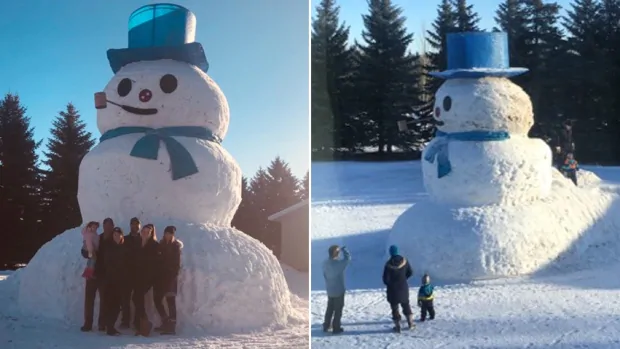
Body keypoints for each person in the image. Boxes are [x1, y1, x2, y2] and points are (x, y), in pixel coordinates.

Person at [81, 217, 115, 332]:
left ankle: (102, 323)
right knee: (89, 299)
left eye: (110, 225)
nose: (108, 228)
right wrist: (88, 253)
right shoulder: (97, 237)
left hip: (105, 274)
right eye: (106, 225)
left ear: (113, 227)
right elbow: (84, 250)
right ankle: (88, 323)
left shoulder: (114, 240)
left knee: (104, 300)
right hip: (93, 272)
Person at [132, 223, 161, 336]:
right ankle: (141, 324)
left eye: (147, 232)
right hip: (137, 276)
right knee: (137, 298)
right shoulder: (137, 243)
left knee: (137, 297)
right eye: (143, 231)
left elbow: (156, 263)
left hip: (148, 277)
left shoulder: (154, 245)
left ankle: (144, 323)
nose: (144, 233)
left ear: (151, 233)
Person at [154, 225, 183, 335]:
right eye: (166, 233)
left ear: (173, 235)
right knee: (157, 300)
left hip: (170, 278)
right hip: (161, 278)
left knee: (170, 302)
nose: (168, 235)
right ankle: (165, 321)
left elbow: (177, 265)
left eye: (170, 234)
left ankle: (171, 327)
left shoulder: (176, 247)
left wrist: (171, 275)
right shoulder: (161, 244)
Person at [102, 227, 129, 336]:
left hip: (122, 281)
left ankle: (111, 326)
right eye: (114, 235)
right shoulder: (109, 247)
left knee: (118, 305)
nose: (116, 237)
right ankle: (109, 327)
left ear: (122, 235)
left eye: (118, 235)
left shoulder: (125, 248)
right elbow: (107, 264)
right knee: (111, 304)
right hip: (111, 281)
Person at [382, 245, 414, 332]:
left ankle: (397, 326)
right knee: (406, 305)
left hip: (392, 290)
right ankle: (410, 323)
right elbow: (410, 272)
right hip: (403, 287)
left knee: (394, 308)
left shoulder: (388, 265)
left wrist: (391, 284)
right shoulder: (404, 261)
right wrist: (403, 279)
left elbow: (385, 280)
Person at [322, 244, 351, 334]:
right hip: (338, 290)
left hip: (330, 290)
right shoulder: (338, 265)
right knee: (338, 309)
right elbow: (347, 259)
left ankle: (326, 325)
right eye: (338, 252)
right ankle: (336, 327)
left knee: (330, 308)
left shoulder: (325, 263)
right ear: (336, 253)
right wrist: (345, 250)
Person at [121, 217, 142, 329]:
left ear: (139, 226)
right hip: (127, 274)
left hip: (139, 275)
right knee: (125, 299)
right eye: (133, 224)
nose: (135, 226)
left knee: (138, 299)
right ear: (130, 225)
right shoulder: (125, 239)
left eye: (137, 224)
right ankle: (125, 321)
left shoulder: (143, 239)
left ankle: (137, 321)